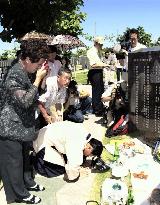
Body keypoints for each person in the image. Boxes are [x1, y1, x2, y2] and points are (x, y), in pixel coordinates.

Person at [0, 39, 49, 204]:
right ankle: (20, 194)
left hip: (21, 125)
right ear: (28, 60)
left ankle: (27, 183)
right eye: (38, 64)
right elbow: (25, 101)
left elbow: (35, 94)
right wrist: (37, 80)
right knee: (14, 164)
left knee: (25, 159)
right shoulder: (14, 73)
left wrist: (40, 80)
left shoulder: (24, 70)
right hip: (10, 126)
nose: (38, 67)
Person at [33, 121, 103, 181]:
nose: (88, 156)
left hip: (45, 134)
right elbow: (72, 167)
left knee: (68, 159)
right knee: (60, 169)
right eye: (90, 155)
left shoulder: (86, 135)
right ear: (89, 148)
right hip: (42, 143)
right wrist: (78, 174)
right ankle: (33, 158)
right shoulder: (77, 144)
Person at [87, 36, 109, 116]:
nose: (101, 46)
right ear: (96, 43)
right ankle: (97, 109)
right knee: (96, 91)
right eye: (100, 44)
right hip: (94, 72)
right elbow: (93, 65)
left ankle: (99, 107)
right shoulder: (91, 51)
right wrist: (106, 65)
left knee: (100, 90)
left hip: (99, 71)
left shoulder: (98, 51)